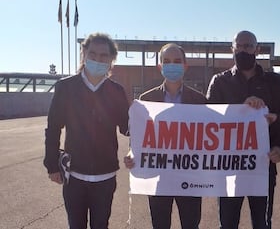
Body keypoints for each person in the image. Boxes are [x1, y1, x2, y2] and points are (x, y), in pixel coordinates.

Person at [206, 30, 280, 229]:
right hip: (229, 167)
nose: (243, 50)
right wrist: (241, 108)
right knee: (227, 223)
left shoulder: (275, 82)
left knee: (262, 224)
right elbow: (207, 121)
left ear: (257, 49)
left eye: (248, 46)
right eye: (239, 46)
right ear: (232, 49)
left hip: (263, 166)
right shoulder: (219, 82)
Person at [43, 33, 130, 229]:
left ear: (112, 59)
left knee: (101, 225)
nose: (98, 60)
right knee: (75, 225)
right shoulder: (66, 87)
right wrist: (51, 165)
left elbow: (127, 128)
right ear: (83, 54)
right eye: (93, 54)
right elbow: (53, 127)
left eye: (103, 56)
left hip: (105, 176)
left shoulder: (116, 91)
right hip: (74, 176)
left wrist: (149, 121)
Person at [124, 43, 205, 229]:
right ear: (160, 67)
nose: (172, 65)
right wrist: (132, 153)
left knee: (191, 225)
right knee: (160, 225)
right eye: (167, 61)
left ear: (185, 66)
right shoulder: (146, 100)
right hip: (158, 176)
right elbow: (139, 137)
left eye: (177, 61)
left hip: (190, 177)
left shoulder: (200, 100)